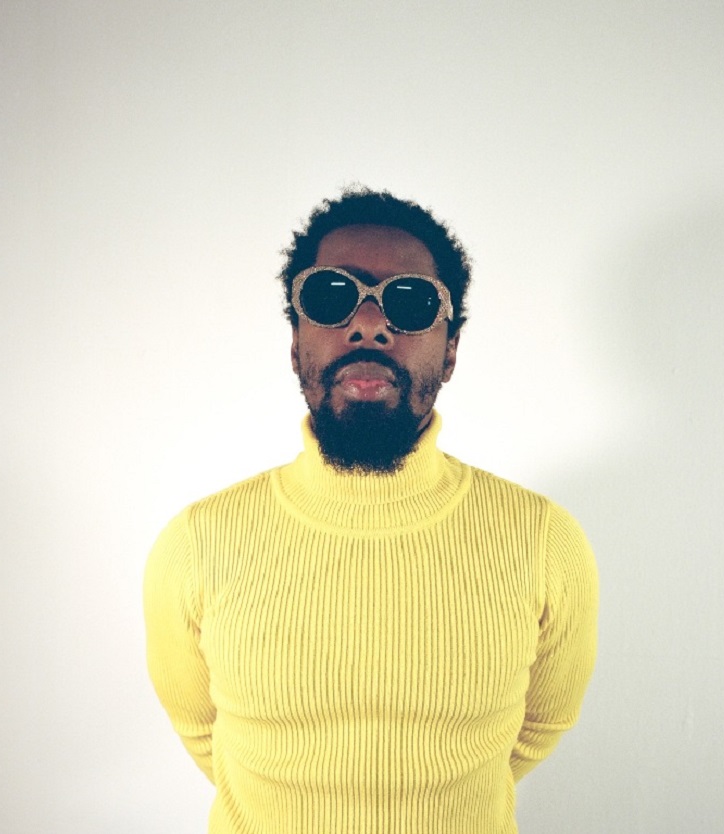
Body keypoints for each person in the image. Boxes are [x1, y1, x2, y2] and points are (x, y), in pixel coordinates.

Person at [144, 187, 599, 834]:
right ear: (295, 341)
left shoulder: (543, 540)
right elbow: (201, 731)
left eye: (409, 302)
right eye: (331, 296)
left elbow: (540, 726)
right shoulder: (197, 542)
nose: (368, 325)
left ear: (451, 350)